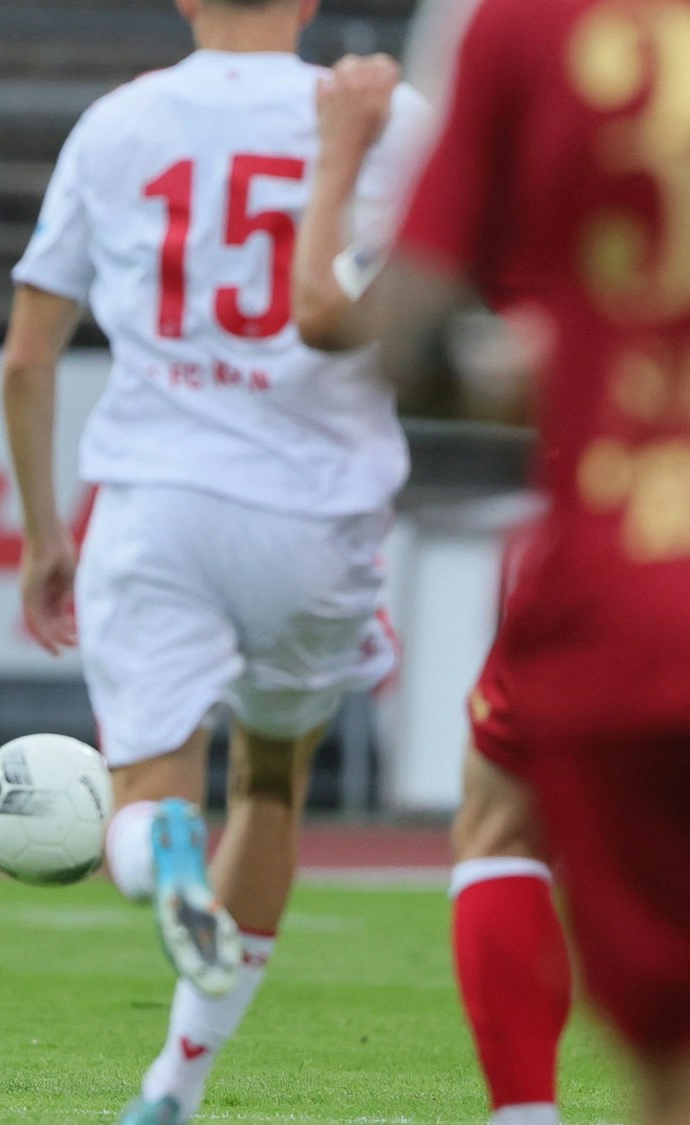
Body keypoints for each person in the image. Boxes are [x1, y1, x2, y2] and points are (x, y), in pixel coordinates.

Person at [0, 0, 427, 1118]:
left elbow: (24, 358)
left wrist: (46, 530)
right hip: (314, 505)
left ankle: (158, 850)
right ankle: (176, 1082)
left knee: (132, 812)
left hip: (156, 497)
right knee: (274, 784)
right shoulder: (386, 112)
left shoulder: (115, 124)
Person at [372, 0, 690, 1118]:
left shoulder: (513, 24)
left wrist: (530, 368)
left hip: (629, 568)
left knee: (500, 809)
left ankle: (522, 1114)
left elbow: (406, 331)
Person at [293, 58, 569, 1125]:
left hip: (616, 528)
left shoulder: (535, 54)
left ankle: (525, 1117)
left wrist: (336, 170)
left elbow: (347, 322)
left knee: (501, 828)